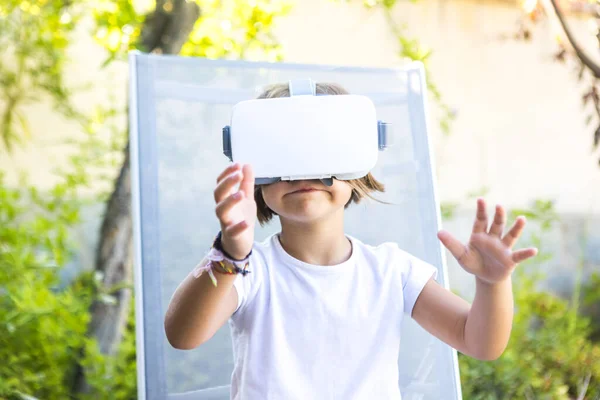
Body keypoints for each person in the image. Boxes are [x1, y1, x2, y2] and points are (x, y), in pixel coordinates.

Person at [164, 82, 538, 400]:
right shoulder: (247, 270)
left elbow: (479, 343)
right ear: (256, 177)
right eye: (283, 151)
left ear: (359, 170)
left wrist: (492, 284)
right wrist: (230, 252)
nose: (303, 171)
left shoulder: (393, 270)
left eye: (323, 149)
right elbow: (183, 335)